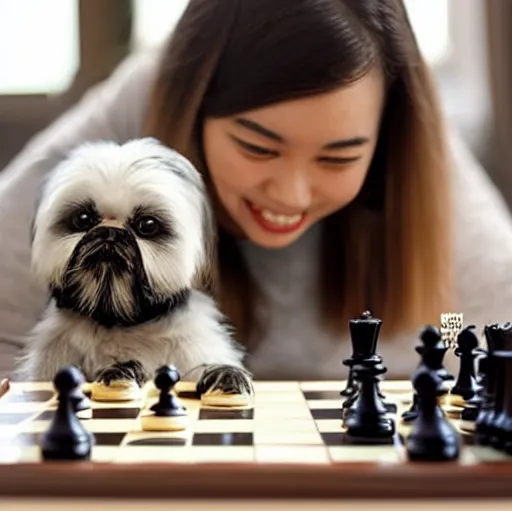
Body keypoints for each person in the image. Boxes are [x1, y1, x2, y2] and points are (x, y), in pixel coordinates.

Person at [0, 0, 511, 381]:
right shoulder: (126, 135)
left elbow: (477, 321)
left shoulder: (410, 147)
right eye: (258, 147)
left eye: (339, 158)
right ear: (195, 108)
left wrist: (450, 349)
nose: (290, 194)